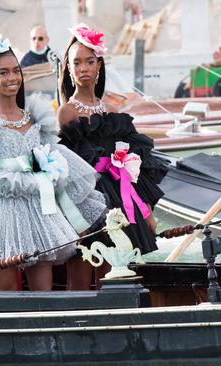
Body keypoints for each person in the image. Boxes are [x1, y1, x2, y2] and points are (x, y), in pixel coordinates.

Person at [0, 33, 105, 292]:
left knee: (44, 295)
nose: (13, 78)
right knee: (6, 296)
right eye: (4, 73)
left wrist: (73, 217)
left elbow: (53, 166)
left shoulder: (37, 119)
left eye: (16, 71)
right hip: (2, 216)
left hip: (40, 212)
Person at [57, 23, 167, 290]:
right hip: (91, 194)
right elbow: (69, 165)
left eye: (90, 61)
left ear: (99, 65)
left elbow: (133, 160)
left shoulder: (112, 106)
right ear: (69, 69)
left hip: (122, 189)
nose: (84, 68)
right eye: (77, 63)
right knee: (91, 256)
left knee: (125, 259)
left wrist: (147, 208)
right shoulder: (67, 112)